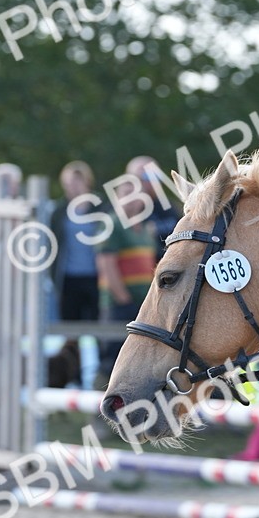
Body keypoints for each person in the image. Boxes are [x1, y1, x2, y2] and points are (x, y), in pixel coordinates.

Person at [95, 165, 158, 389]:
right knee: (111, 359)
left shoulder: (146, 228)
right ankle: (100, 412)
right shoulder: (112, 224)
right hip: (119, 305)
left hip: (141, 305)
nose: (131, 200)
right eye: (125, 194)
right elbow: (106, 265)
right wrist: (123, 299)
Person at [49, 160, 102, 324]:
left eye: (76, 181)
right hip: (68, 277)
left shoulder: (100, 207)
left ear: (86, 181)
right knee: (69, 325)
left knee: (96, 325)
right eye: (68, 183)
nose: (72, 187)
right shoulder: (59, 210)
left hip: (96, 277)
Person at [126, 155, 182, 257]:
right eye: (145, 176)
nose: (151, 181)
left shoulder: (170, 208)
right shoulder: (120, 213)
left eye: (155, 176)